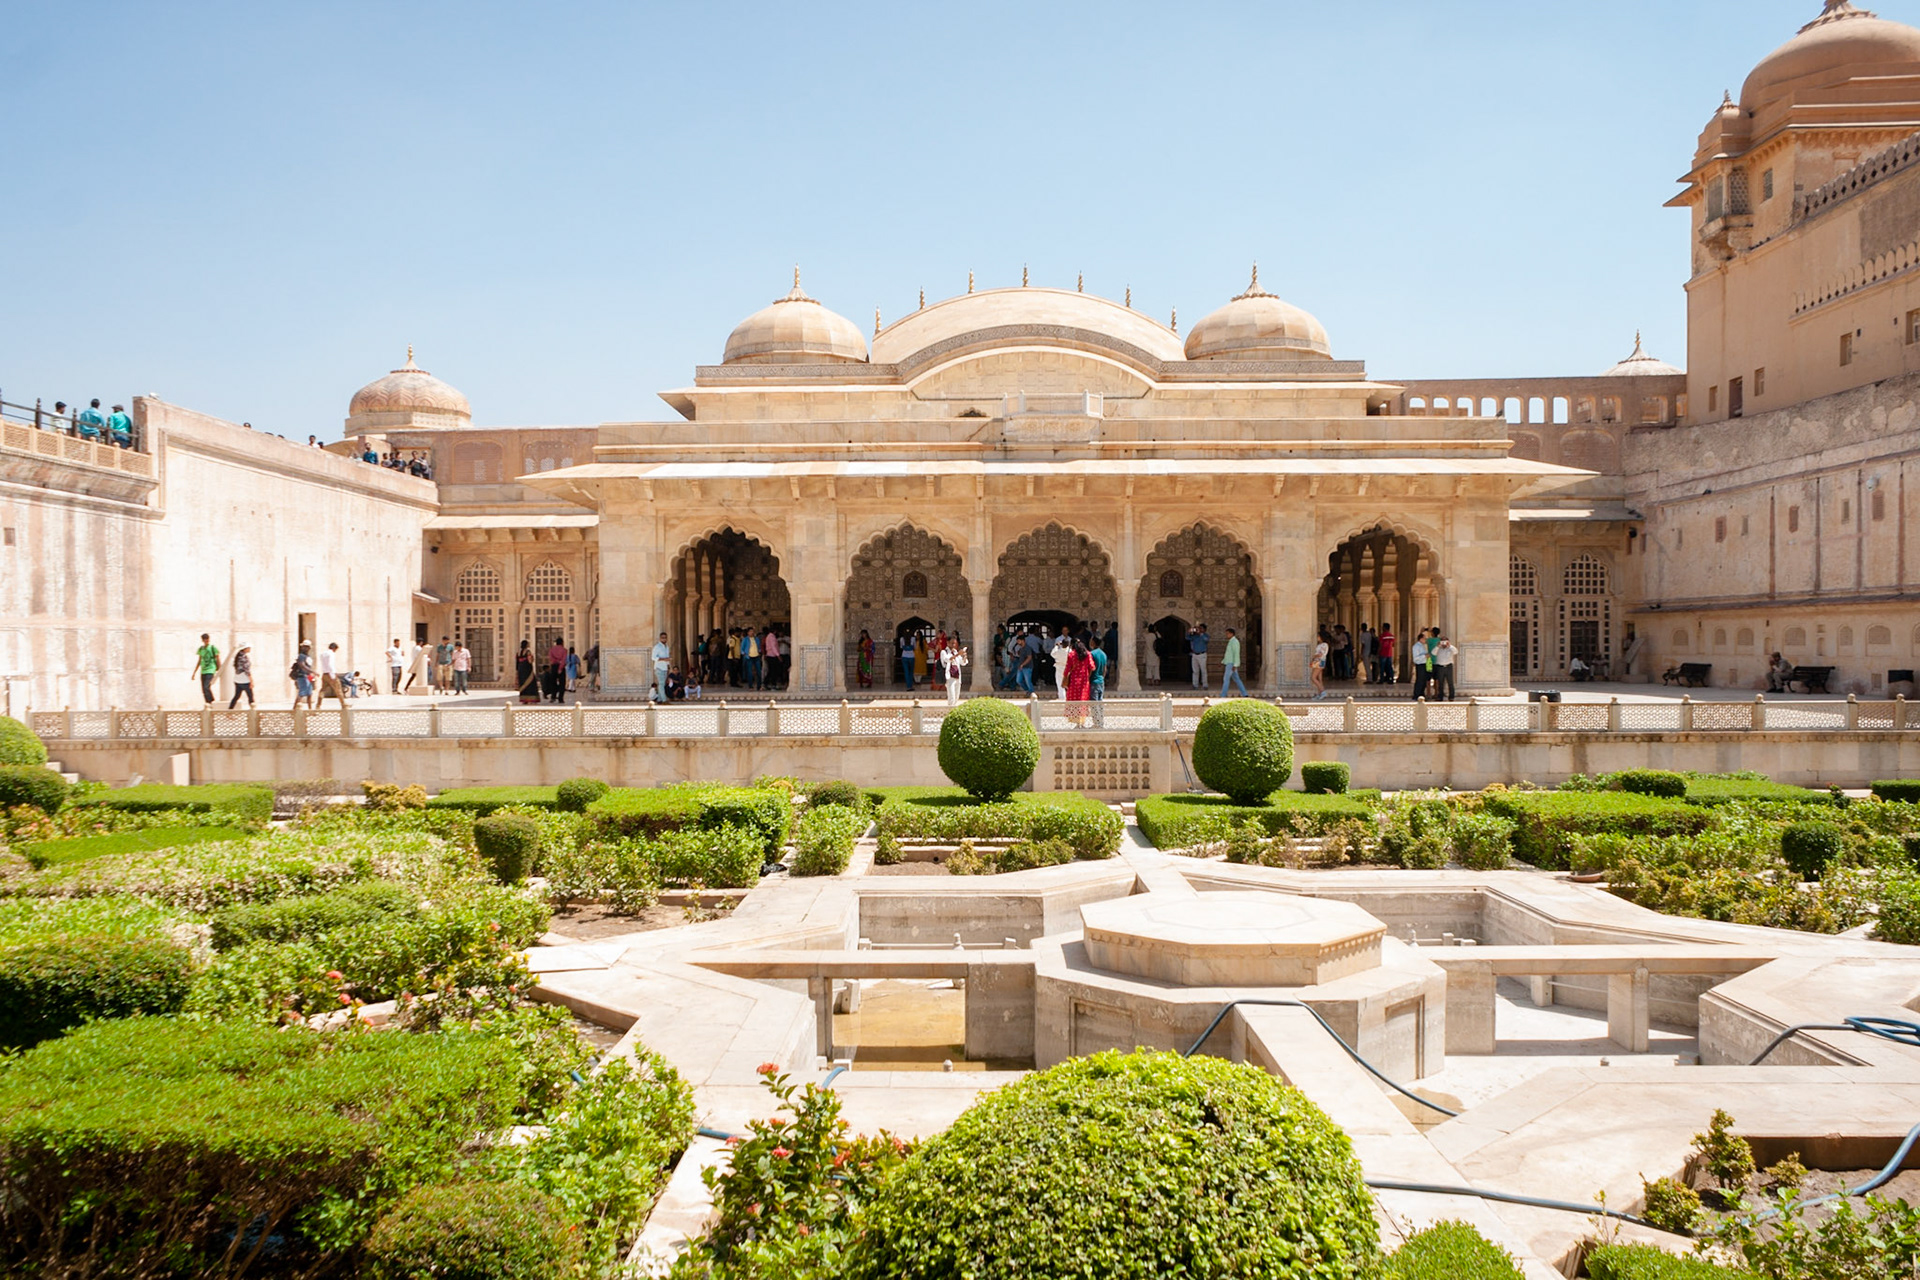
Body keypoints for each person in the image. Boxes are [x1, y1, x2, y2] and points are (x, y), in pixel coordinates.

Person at [1063, 638, 1095, 726]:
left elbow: (1067, 669)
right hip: (1084, 681)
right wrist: (1087, 675)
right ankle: (1082, 721)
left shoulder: (1071, 655)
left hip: (1073, 681)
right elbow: (1092, 667)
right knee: (1083, 700)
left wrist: (1065, 677)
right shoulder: (1088, 654)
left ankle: (1076, 721)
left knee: (1074, 700)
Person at [191, 632, 221, 704]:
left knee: (206, 687)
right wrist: (194, 672)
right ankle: (208, 703)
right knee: (203, 690)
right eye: (205, 639)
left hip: (211, 670)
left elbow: (218, 658)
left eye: (207, 639)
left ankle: (212, 702)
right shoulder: (201, 649)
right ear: (202, 640)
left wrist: (219, 670)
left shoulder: (213, 648)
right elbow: (199, 660)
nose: (206, 640)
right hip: (203, 670)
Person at [318, 641, 347, 708]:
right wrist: (333, 675)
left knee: (323, 690)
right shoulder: (331, 654)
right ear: (334, 648)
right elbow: (330, 664)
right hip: (330, 674)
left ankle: (318, 705)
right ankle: (343, 704)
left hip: (324, 674)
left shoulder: (322, 654)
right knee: (338, 689)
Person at [1220, 626, 1248, 696]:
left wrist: (1235, 665)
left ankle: (1223, 695)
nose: (1227, 635)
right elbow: (1229, 654)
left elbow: (1236, 653)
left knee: (1226, 679)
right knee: (1237, 679)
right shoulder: (1231, 642)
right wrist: (1222, 662)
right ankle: (1244, 694)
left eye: (1228, 633)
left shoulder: (1234, 642)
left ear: (1232, 634)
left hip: (1231, 664)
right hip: (1229, 663)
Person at [940, 639, 968, 707]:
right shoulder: (944, 652)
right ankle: (950, 709)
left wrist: (964, 656)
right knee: (951, 696)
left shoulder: (955, 652)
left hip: (957, 676)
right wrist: (958, 654)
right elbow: (948, 659)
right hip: (950, 676)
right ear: (948, 643)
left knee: (956, 696)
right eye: (952, 643)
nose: (953, 645)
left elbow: (963, 663)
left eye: (955, 644)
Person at [290, 642, 316, 709]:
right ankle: (295, 709)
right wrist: (313, 671)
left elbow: (308, 666)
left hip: (308, 676)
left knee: (310, 693)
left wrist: (312, 675)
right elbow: (302, 666)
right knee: (302, 693)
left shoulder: (308, 656)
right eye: (304, 646)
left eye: (307, 647)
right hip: (302, 676)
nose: (305, 648)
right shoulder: (301, 656)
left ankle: (310, 710)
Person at [227, 643, 254, 708]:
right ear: (245, 649)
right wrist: (251, 681)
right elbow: (247, 670)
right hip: (244, 680)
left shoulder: (238, 656)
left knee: (236, 696)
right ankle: (254, 711)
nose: (250, 649)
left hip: (237, 680)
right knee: (250, 696)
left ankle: (229, 711)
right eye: (248, 647)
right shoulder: (243, 657)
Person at [1431, 633, 1457, 701]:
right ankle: (1440, 696)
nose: (1444, 643)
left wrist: (1450, 646)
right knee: (1440, 683)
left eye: (1445, 641)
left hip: (1448, 666)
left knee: (1450, 682)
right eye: (1442, 641)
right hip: (1440, 667)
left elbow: (1456, 652)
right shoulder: (1438, 648)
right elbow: (1433, 653)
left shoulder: (1450, 648)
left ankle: (1451, 696)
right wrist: (1438, 646)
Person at [1050, 631, 1073, 701]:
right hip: (1068, 668)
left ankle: (1062, 697)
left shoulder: (1058, 651)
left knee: (1060, 682)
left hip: (1059, 667)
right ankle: (1069, 696)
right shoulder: (1070, 652)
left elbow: (1052, 654)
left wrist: (1056, 646)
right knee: (1069, 682)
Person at [1410, 629, 1432, 700]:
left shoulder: (1422, 646)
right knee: (1419, 680)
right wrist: (1425, 656)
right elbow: (1416, 658)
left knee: (1423, 680)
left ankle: (1421, 694)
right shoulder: (1416, 647)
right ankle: (1416, 694)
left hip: (1424, 664)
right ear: (1421, 639)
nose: (1425, 640)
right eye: (1424, 639)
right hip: (1420, 664)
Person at [521, 640, 543, 704]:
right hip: (527, 669)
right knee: (530, 684)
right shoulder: (528, 652)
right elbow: (530, 661)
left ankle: (524, 699)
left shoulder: (519, 652)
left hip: (521, 670)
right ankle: (532, 699)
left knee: (523, 684)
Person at [547, 637, 568, 703]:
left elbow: (550, 658)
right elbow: (564, 660)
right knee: (562, 683)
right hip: (561, 667)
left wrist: (555, 662)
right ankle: (560, 698)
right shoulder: (564, 650)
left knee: (553, 682)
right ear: (562, 643)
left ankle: (553, 697)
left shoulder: (552, 649)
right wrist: (560, 668)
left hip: (554, 667)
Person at [1310, 629, 1330, 699]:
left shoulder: (1324, 645)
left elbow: (1320, 654)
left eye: (1318, 636)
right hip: (1317, 661)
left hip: (1319, 661)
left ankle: (1322, 691)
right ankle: (1319, 693)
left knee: (1313, 677)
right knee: (1319, 678)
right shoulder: (1321, 644)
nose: (1317, 637)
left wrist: (1314, 656)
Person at [651, 632, 671, 703]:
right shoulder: (657, 647)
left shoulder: (666, 647)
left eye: (665, 637)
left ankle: (659, 699)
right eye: (662, 637)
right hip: (659, 668)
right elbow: (653, 657)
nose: (664, 639)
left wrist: (668, 667)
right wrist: (663, 659)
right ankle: (664, 700)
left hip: (665, 668)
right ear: (660, 638)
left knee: (662, 684)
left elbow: (667, 657)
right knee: (661, 684)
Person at [1188, 624, 1209, 689]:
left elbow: (1206, 640)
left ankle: (1205, 685)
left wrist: (1201, 634)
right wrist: (1189, 632)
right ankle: (1195, 685)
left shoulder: (1206, 636)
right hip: (1194, 655)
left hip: (1202, 655)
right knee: (1195, 671)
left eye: (1201, 628)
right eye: (1198, 628)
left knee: (1203, 670)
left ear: (1204, 630)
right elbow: (1187, 638)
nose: (1199, 630)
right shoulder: (1194, 636)